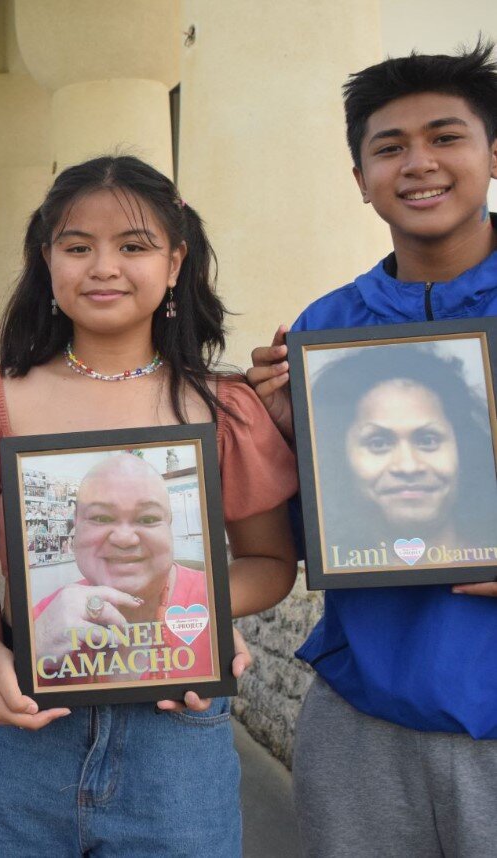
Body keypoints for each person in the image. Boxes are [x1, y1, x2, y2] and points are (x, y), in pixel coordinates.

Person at [0, 155, 298, 857]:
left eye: (132, 246)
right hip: (20, 732)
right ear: (46, 261)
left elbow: (267, 561)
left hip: (174, 743)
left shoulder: (223, 409)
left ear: (174, 262)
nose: (102, 266)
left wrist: (199, 619)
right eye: (77, 247)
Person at [247, 42, 497, 856]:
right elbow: (307, 524)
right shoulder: (327, 329)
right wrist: (280, 432)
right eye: (388, 147)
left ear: (493, 152)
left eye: (444, 137)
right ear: (359, 179)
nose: (417, 164)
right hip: (363, 716)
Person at [308, 341, 497, 570]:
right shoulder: (334, 564)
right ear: (339, 458)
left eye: (428, 440)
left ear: (464, 450)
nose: (408, 466)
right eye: (378, 443)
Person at [29, 453, 213, 687]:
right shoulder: (43, 618)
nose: (124, 539)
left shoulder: (212, 599)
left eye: (147, 519)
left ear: (169, 523)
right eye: (101, 517)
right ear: (76, 523)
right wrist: (29, 652)